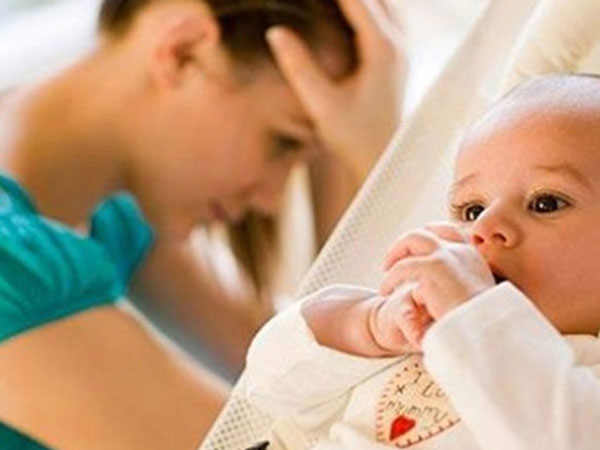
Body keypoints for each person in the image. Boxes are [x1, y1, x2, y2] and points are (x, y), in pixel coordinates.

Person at [0, 0, 405, 448]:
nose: (270, 199)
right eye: (283, 142)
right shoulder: (12, 264)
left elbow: (301, 368)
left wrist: (354, 154)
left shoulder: (109, 215)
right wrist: (374, 157)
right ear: (184, 50)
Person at [244, 74, 600, 450]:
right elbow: (269, 384)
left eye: (545, 203)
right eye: (472, 209)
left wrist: (477, 316)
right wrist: (367, 324)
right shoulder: (414, 330)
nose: (484, 227)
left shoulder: (584, 384)